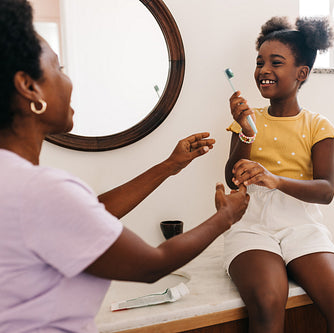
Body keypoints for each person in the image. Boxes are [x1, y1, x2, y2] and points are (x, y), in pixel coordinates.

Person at [0, 0, 249, 332]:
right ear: (29, 87)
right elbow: (152, 265)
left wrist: (169, 166)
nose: (69, 80)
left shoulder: (14, 181)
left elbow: (86, 215)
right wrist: (225, 217)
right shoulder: (41, 190)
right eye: (59, 68)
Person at [224, 16, 334, 333]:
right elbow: (233, 181)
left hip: (302, 225)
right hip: (251, 224)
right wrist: (247, 133)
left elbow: (326, 190)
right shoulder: (247, 120)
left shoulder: (318, 126)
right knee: (268, 300)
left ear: (302, 73)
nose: (263, 70)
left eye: (276, 62)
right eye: (260, 62)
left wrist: (275, 180)